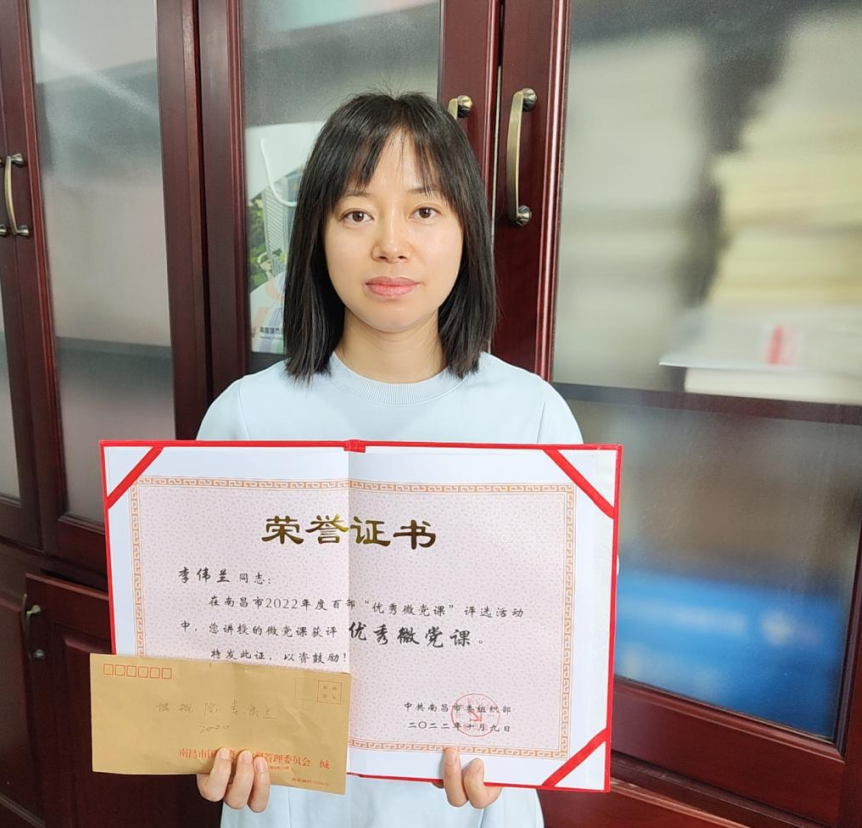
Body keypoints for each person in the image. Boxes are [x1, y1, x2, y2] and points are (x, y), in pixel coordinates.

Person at [194, 91, 581, 828]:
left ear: (466, 231)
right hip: (290, 801)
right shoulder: (246, 416)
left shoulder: (531, 417)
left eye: (424, 210)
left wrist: (526, 742)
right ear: (317, 234)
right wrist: (206, 738)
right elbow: (206, 631)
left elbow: (560, 637)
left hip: (466, 802)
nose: (391, 244)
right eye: (356, 214)